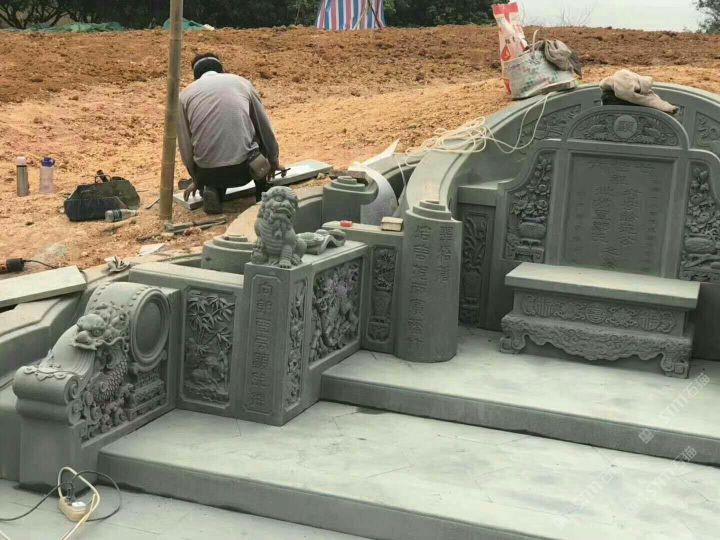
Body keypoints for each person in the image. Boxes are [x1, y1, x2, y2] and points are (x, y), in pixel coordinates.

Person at [178, 52, 284, 214]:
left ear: (195, 77)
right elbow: (264, 128)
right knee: (255, 136)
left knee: (211, 155)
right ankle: (262, 189)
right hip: (245, 170)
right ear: (222, 70)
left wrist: (197, 179)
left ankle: (213, 189)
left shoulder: (185, 95)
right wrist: (274, 161)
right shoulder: (242, 83)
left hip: (209, 172)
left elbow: (185, 145)